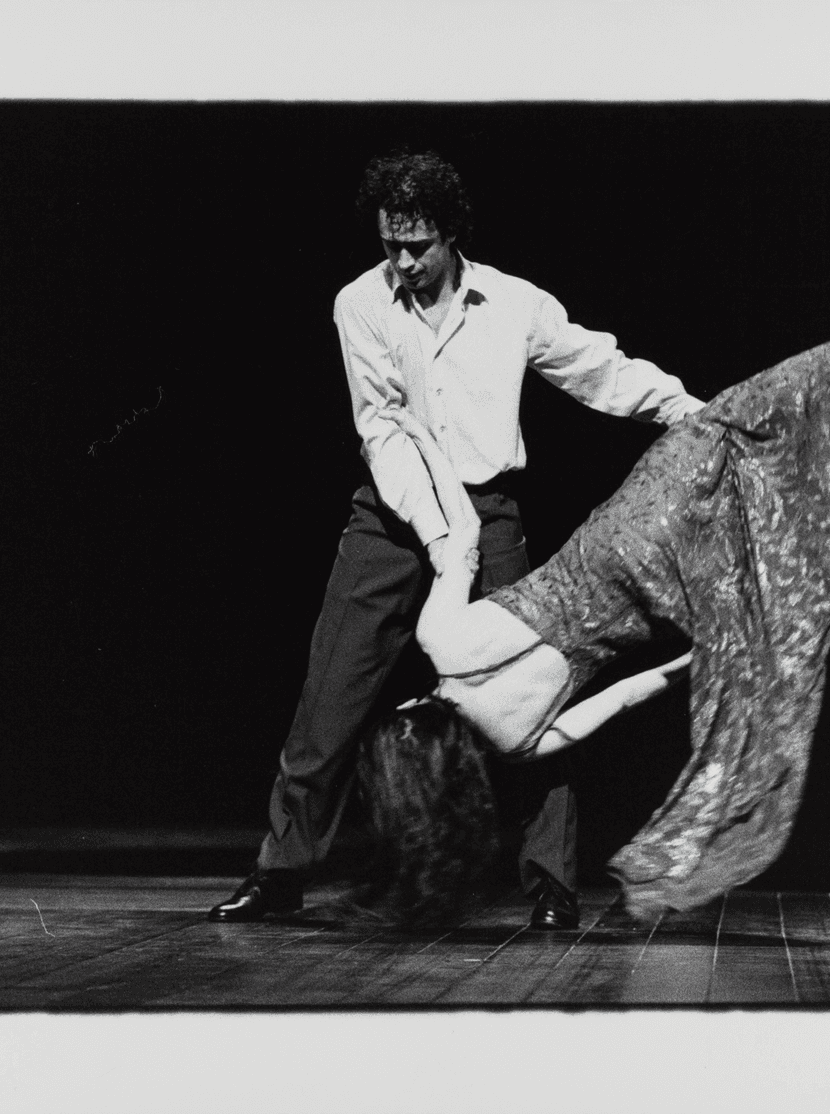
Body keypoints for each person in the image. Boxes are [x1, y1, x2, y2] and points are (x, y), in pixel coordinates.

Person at [359, 267, 830, 922]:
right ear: (409, 707)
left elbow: (626, 695)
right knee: (746, 416)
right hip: (629, 536)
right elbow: (461, 533)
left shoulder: (519, 744)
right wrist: (425, 437)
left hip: (664, 603)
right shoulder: (443, 641)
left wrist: (694, 660)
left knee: (771, 494)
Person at [208, 151, 705, 928]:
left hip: (490, 511)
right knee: (330, 695)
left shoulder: (512, 303)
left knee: (536, 697)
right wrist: (443, 540)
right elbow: (382, 432)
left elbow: (597, 369)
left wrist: (687, 412)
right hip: (393, 518)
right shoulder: (359, 305)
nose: (403, 263)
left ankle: (549, 880)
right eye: (390, 247)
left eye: (419, 246)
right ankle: (281, 872)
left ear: (451, 235)